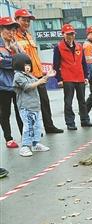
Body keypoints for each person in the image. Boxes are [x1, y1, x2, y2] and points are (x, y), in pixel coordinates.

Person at [14, 9, 63, 134]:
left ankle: (49, 126)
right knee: (29, 106)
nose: (26, 23)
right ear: (16, 20)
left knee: (44, 102)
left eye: (28, 21)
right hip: (27, 77)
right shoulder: (14, 37)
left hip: (38, 75)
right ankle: (32, 130)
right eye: (24, 20)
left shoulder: (29, 35)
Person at [53, 23, 92, 130]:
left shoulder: (79, 46)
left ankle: (85, 120)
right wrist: (59, 79)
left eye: (72, 34)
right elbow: (56, 65)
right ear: (63, 35)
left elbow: (83, 62)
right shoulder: (58, 47)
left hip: (80, 77)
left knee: (82, 101)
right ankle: (70, 123)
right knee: (68, 101)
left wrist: (86, 76)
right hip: (67, 78)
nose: (70, 36)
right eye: (68, 34)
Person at [13, 53, 50, 157]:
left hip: (35, 106)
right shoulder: (18, 76)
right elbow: (27, 87)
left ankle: (35, 143)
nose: (28, 67)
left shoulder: (29, 75)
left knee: (37, 126)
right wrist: (39, 81)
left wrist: (47, 76)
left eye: (29, 65)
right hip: (26, 106)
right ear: (18, 65)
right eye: (25, 65)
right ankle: (25, 146)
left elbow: (38, 82)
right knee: (28, 126)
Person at [0, 16, 23, 149]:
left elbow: (24, 60)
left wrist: (17, 50)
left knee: (21, 110)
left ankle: (25, 135)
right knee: (5, 112)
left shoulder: (15, 45)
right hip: (2, 85)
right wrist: (15, 62)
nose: (11, 32)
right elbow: (3, 63)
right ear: (1, 30)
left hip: (16, 83)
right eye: (8, 29)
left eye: (13, 29)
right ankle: (8, 138)